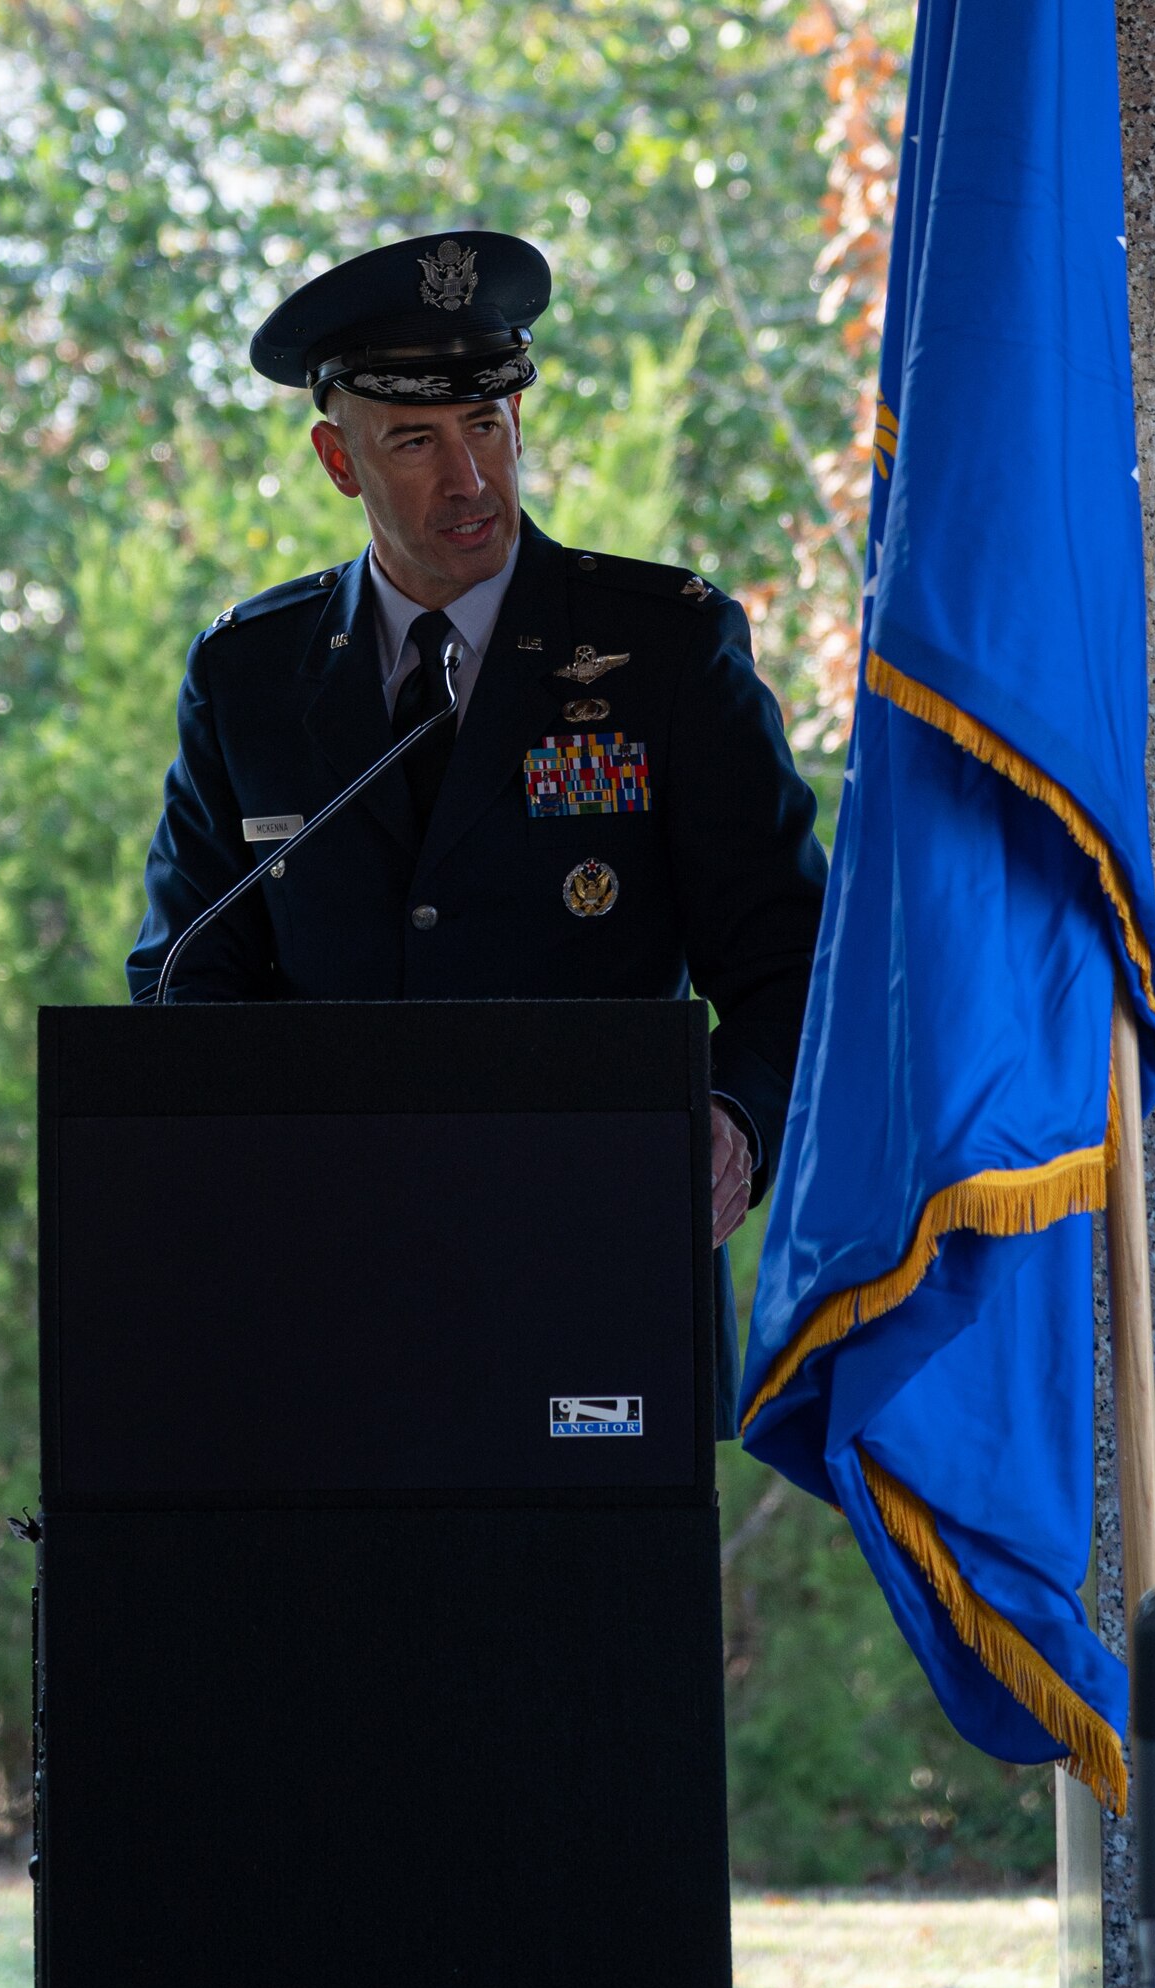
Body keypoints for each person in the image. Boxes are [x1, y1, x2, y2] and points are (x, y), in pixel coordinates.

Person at [126, 229, 828, 1434]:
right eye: (415, 441)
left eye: (489, 427)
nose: (471, 480)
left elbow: (791, 960)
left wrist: (733, 1122)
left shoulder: (662, 648)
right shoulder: (251, 675)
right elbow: (184, 976)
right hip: (322, 1293)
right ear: (338, 461)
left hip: (599, 1272)